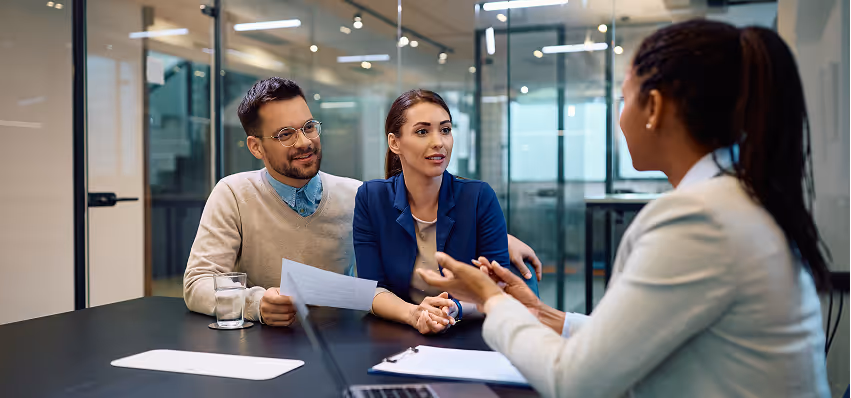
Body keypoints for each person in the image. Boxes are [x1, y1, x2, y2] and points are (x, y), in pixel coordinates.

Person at [417, 20, 831, 397]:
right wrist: (543, 314)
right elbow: (643, 334)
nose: (620, 116)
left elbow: (572, 381)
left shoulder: (698, 219)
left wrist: (492, 300)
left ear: (653, 107)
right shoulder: (732, 200)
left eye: (624, 98)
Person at [183, 78, 542, 327]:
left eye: (308, 126)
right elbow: (198, 284)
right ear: (256, 147)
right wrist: (255, 304)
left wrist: (502, 238)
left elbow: (415, 209)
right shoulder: (232, 193)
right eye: (285, 134)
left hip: (346, 338)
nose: (304, 141)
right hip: (267, 343)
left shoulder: (355, 195)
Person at [353, 89, 539, 335]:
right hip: (400, 335)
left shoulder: (478, 197)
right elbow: (372, 290)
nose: (439, 142)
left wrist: (454, 309)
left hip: (472, 335)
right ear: (394, 143)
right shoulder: (371, 198)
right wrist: (414, 314)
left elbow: (499, 288)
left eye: (445, 129)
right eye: (422, 131)